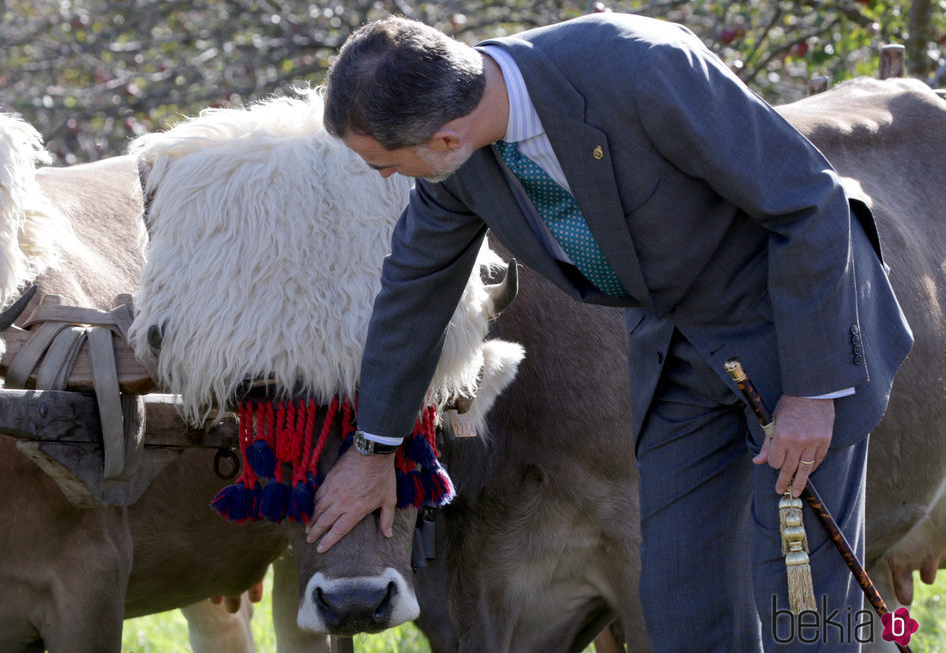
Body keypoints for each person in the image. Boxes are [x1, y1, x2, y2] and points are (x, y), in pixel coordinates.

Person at [305, 12, 913, 651]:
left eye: (385, 163)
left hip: (791, 334)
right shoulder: (456, 164)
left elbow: (810, 203)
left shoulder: (642, 66)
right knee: (680, 610)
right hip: (676, 356)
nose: (384, 178)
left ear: (448, 138)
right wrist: (374, 449)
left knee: (803, 604)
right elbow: (412, 296)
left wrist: (815, 393)